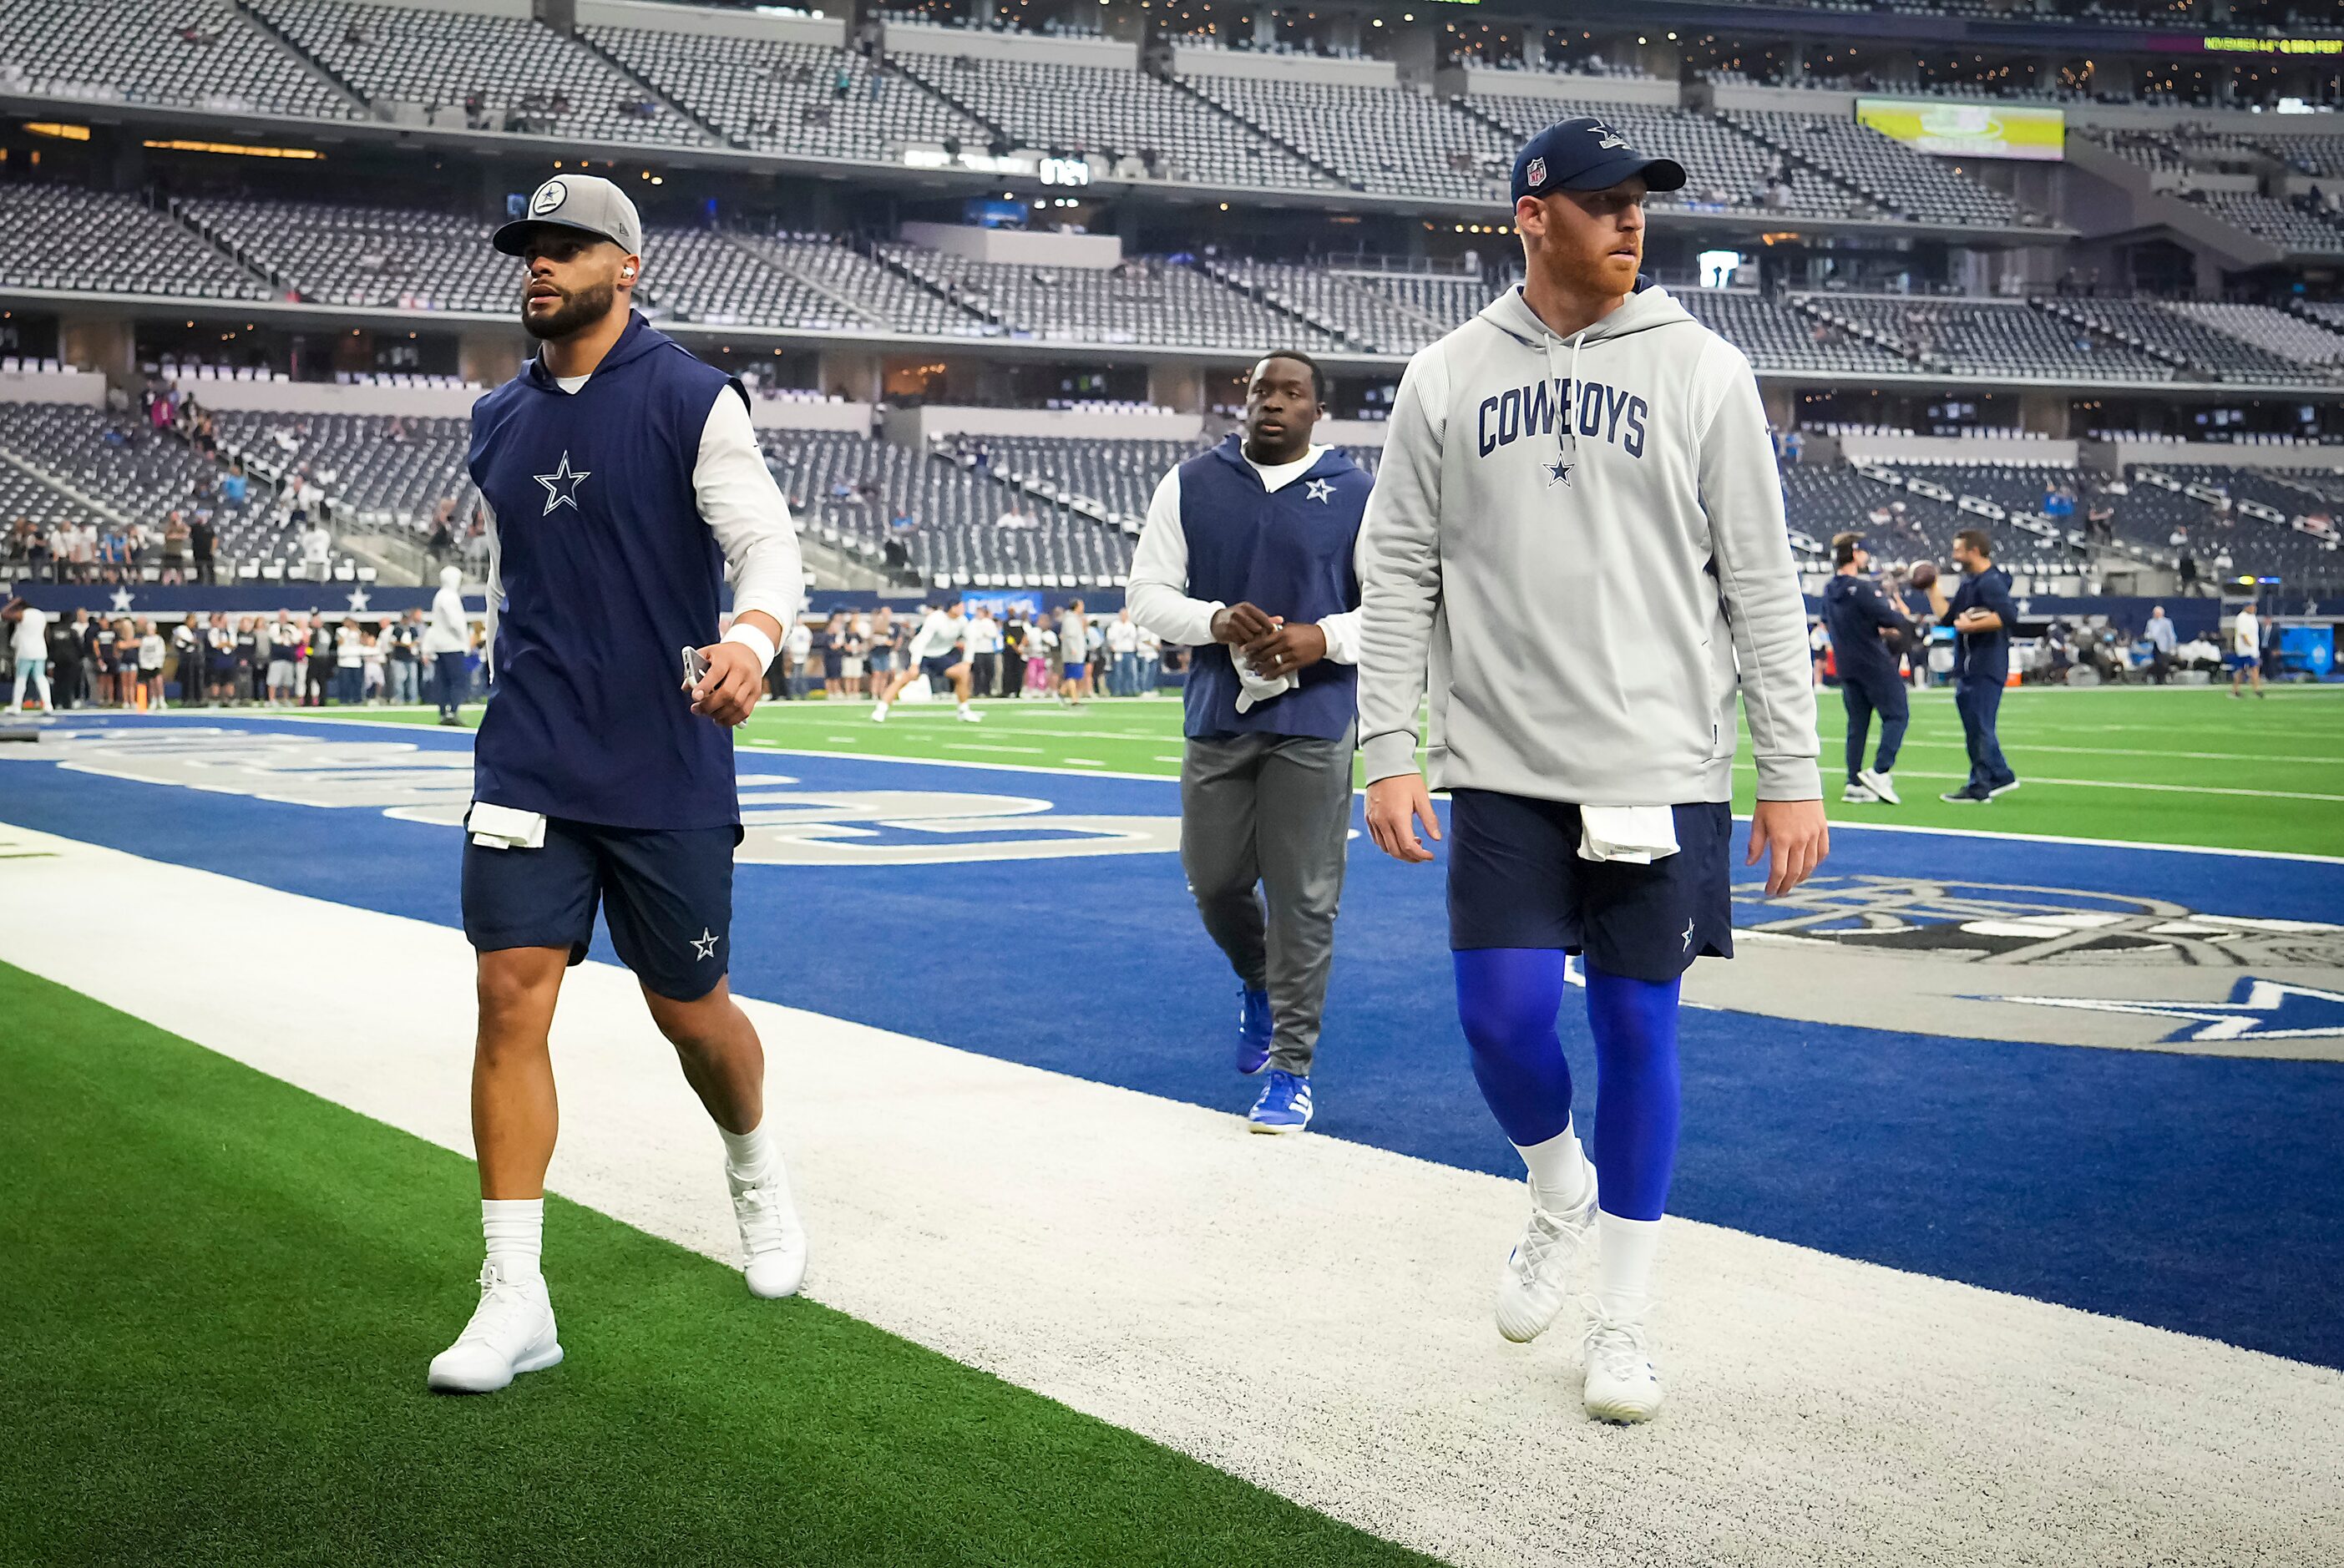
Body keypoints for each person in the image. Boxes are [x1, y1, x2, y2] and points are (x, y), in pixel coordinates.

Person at [1354, 117, 1826, 1425]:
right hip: (1500, 762)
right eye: (1604, 201)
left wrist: (1789, 769)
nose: (1630, 222)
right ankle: (1552, 1184)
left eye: (1641, 203)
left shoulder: (1704, 369)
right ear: (1531, 213)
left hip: (1660, 762)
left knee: (1636, 1028)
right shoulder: (1444, 374)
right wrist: (1384, 746)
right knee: (1499, 1022)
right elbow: (1394, 570)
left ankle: (1622, 1314)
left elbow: (1763, 585)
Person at [428, 174, 808, 1396]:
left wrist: (749, 640)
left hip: (663, 753)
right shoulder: (494, 416)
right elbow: (514, 584)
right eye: (528, 250)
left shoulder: (694, 398)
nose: (538, 265)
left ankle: (753, 1169)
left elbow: (764, 543)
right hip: (531, 751)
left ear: (626, 266)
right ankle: (512, 1294)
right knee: (508, 1001)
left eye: (564, 247)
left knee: (691, 1013)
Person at [1129, 351, 1370, 1134]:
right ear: (1246, 399)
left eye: (1291, 392)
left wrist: (1321, 638)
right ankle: (1258, 980)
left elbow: (1402, 607)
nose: (1274, 402)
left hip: (1317, 718)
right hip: (1217, 713)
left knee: (1303, 898)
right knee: (1214, 879)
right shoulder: (1191, 483)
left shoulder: (1360, 493)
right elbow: (1146, 596)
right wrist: (1211, 618)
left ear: (1315, 410)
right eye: (1263, 389)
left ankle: (1291, 1070)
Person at [1925, 529, 2019, 802]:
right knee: (1976, 726)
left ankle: (1980, 785)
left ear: (1974, 551)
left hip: (1986, 664)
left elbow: (2008, 616)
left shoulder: (1990, 582)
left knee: (1980, 726)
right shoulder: (1971, 583)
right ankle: (2000, 775)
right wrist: (1932, 588)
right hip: (1969, 666)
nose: (1954, 556)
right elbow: (1947, 618)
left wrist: (1971, 625)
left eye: (1958, 550)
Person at [1820, 533, 1910, 805]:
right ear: (1856, 554)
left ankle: (1853, 781)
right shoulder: (1862, 589)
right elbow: (1891, 619)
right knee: (1897, 715)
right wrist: (1899, 616)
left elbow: (1828, 620)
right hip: (1873, 661)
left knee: (1857, 726)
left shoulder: (1828, 590)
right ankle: (1880, 771)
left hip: (1847, 665)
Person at [873, 599, 981, 723]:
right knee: (906, 678)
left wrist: (967, 662)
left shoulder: (962, 621)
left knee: (962, 674)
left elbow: (971, 640)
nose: (963, 609)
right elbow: (922, 642)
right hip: (921, 654)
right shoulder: (936, 619)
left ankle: (964, 711)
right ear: (953, 608)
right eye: (961, 606)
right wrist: (915, 664)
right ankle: (881, 709)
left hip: (941, 655)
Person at [423, 565, 470, 724]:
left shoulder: (439, 596)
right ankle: (453, 711)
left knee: (442, 681)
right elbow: (455, 622)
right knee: (458, 681)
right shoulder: (450, 597)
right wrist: (464, 640)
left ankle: (443, 711)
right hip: (453, 645)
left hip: (440, 645)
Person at [4, 595, 49, 715]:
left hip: (26, 651)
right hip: (40, 651)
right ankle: (48, 705)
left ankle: (17, 706)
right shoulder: (40, 614)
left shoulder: (23, 615)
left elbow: (4, 615)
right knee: (41, 678)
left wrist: (13, 603)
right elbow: (46, 633)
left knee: (21, 679)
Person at [1056, 599, 1091, 706]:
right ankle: (1074, 699)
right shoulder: (1070, 620)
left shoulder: (1076, 619)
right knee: (1072, 675)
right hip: (1072, 653)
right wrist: (1073, 649)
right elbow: (1070, 636)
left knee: (1075, 675)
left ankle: (1061, 693)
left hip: (1077, 651)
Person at [2229, 601, 2265, 699]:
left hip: (2252, 649)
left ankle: (2235, 690)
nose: (2254, 608)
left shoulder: (2252, 618)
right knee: (2253, 668)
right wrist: (2249, 644)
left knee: (2242, 670)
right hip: (2245, 650)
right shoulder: (2242, 618)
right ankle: (2257, 689)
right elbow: (2243, 633)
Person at [967, 603, 1002, 700]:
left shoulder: (989, 622)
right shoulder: (973, 623)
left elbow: (994, 634)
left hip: (989, 651)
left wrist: (985, 633)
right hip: (977, 651)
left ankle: (987, 690)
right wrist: (981, 634)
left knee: (990, 671)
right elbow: (971, 635)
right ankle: (977, 691)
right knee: (977, 672)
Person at [1106, 608, 1141, 697]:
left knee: (1130, 672)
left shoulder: (1131, 625)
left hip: (1129, 652)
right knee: (1118, 673)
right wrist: (1112, 645)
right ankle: (1117, 691)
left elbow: (1135, 638)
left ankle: (1129, 690)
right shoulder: (1115, 625)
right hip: (1119, 652)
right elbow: (1110, 637)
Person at [2144, 604, 2176, 685]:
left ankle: (2163, 679)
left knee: (2163, 663)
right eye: (2155, 613)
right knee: (2156, 663)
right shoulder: (2150, 622)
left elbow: (2171, 635)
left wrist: (2172, 647)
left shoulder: (2167, 622)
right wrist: (2148, 636)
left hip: (2163, 647)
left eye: (2158, 613)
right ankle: (2157, 679)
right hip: (2153, 646)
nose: (2156, 614)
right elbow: (2147, 632)